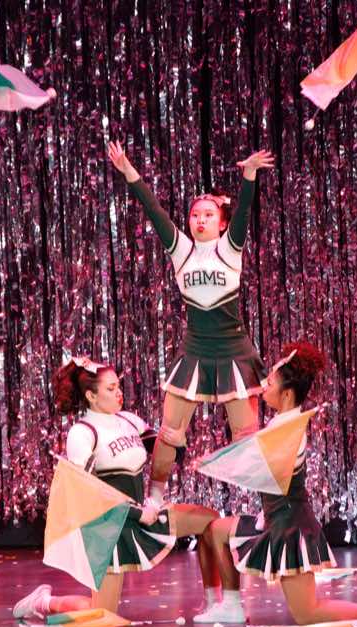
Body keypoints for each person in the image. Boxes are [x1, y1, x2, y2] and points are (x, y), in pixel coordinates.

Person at [195, 342, 357, 626]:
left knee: (307, 614)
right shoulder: (280, 424)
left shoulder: (289, 429)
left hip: (290, 528)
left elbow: (256, 469)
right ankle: (231, 606)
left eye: (270, 383)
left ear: (287, 393)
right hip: (274, 519)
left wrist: (212, 463)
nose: (264, 386)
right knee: (216, 531)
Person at [107, 140, 275, 508]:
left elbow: (244, 213)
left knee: (247, 436)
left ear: (221, 222)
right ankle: (154, 499)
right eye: (195, 214)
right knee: (169, 432)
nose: (200, 220)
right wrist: (128, 171)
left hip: (233, 351)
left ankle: (269, 508)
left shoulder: (229, 249)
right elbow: (153, 210)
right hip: (195, 350)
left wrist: (249, 175)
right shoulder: (181, 250)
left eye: (209, 215)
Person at [12, 357, 219, 619]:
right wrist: (137, 513)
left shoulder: (130, 421)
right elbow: (87, 493)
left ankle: (215, 603)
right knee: (102, 616)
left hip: (143, 514)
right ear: (91, 396)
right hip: (107, 529)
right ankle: (45, 602)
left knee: (210, 521)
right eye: (110, 389)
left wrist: (179, 442)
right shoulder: (82, 433)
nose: (119, 393)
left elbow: (167, 454)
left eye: (118, 386)